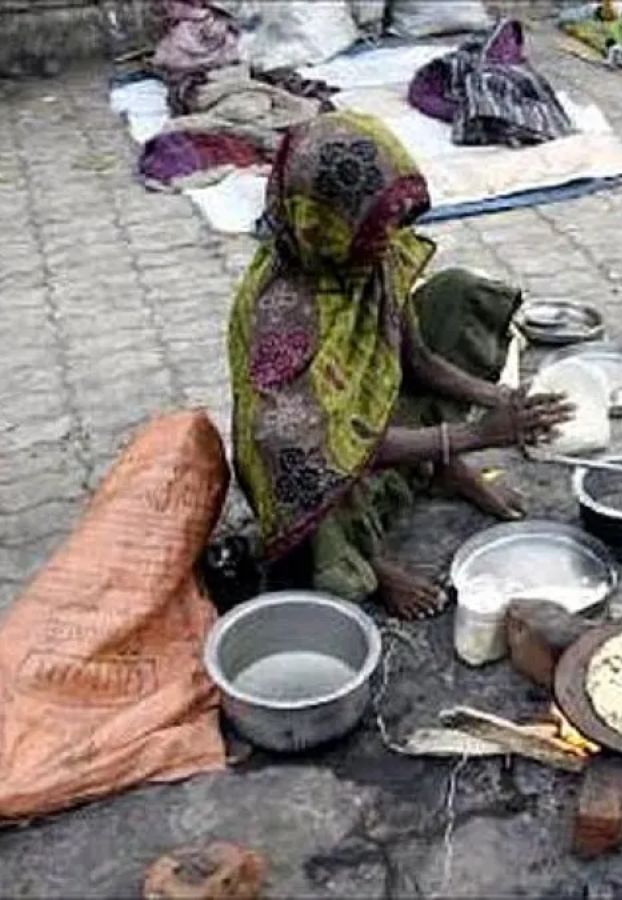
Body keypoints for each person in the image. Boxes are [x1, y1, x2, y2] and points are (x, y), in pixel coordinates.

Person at [228, 111, 573, 620]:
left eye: (392, 224)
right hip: (306, 460)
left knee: (457, 296)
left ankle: (443, 471)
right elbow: (324, 447)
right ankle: (369, 561)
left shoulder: (368, 256)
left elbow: (419, 361)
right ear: (326, 223)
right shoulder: (282, 315)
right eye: (377, 228)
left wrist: (505, 400)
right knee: (302, 481)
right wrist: (481, 434)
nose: (389, 240)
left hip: (367, 423)